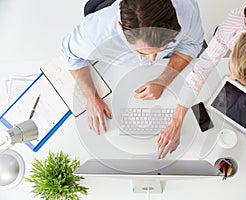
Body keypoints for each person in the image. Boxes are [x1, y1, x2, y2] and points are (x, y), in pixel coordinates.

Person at [157, 0, 246, 159]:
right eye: (233, 70)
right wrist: (176, 122)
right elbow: (203, 66)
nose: (230, 78)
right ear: (238, 42)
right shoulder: (238, 23)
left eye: (243, 81)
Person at [61, 0, 204, 134]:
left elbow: (192, 44)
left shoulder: (185, 9)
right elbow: (70, 56)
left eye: (161, 49)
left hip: (173, 67)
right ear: (121, 28)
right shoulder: (93, 37)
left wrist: (163, 80)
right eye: (142, 52)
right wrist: (91, 97)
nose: (152, 59)